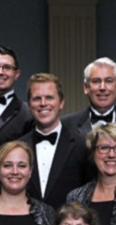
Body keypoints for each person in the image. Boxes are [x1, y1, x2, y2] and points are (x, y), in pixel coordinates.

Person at [19, 72, 92, 208]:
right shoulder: (18, 148)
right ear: (29, 105)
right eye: (37, 98)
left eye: (49, 97)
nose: (43, 103)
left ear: (61, 103)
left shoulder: (83, 146)